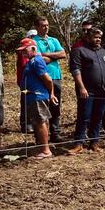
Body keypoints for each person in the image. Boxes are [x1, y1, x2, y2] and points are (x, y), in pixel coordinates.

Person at [69, 28, 105, 153]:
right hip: (87, 91)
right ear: (88, 37)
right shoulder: (79, 51)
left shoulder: (104, 52)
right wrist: (81, 88)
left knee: (98, 117)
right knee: (84, 116)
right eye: (95, 37)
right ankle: (79, 144)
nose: (98, 40)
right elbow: (75, 70)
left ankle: (94, 142)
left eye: (99, 37)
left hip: (102, 91)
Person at [18, 37, 58, 160]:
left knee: (41, 122)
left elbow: (48, 79)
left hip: (38, 96)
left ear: (33, 49)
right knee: (39, 121)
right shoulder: (31, 61)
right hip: (33, 96)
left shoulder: (37, 61)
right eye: (21, 50)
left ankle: (46, 150)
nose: (23, 53)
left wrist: (51, 94)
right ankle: (42, 146)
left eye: (25, 50)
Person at [31, 16, 66, 144]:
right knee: (41, 107)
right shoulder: (33, 42)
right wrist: (54, 56)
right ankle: (40, 137)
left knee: (55, 106)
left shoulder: (54, 40)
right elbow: (39, 59)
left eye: (47, 25)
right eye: (43, 25)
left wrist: (46, 55)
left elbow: (63, 54)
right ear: (37, 27)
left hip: (55, 76)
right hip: (41, 77)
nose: (46, 27)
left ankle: (55, 133)